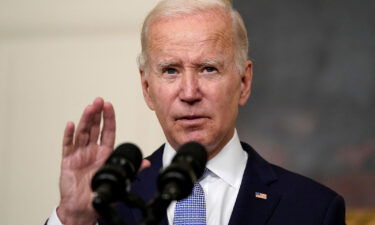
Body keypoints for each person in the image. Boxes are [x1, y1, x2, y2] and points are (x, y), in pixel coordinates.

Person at [46, 0, 346, 224]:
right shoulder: (110, 199)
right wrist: (71, 218)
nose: (189, 93)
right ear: (147, 88)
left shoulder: (313, 209)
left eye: (208, 68)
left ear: (243, 82)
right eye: (171, 70)